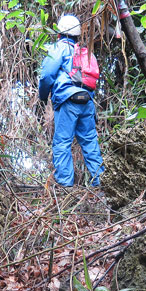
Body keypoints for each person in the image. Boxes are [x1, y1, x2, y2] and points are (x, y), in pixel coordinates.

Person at [38, 14, 104, 187]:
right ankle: (102, 183)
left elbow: (46, 75)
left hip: (68, 100)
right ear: (76, 35)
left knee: (62, 143)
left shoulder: (59, 48)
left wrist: (43, 96)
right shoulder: (83, 51)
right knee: (90, 142)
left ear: (60, 33)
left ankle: (66, 186)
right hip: (87, 101)